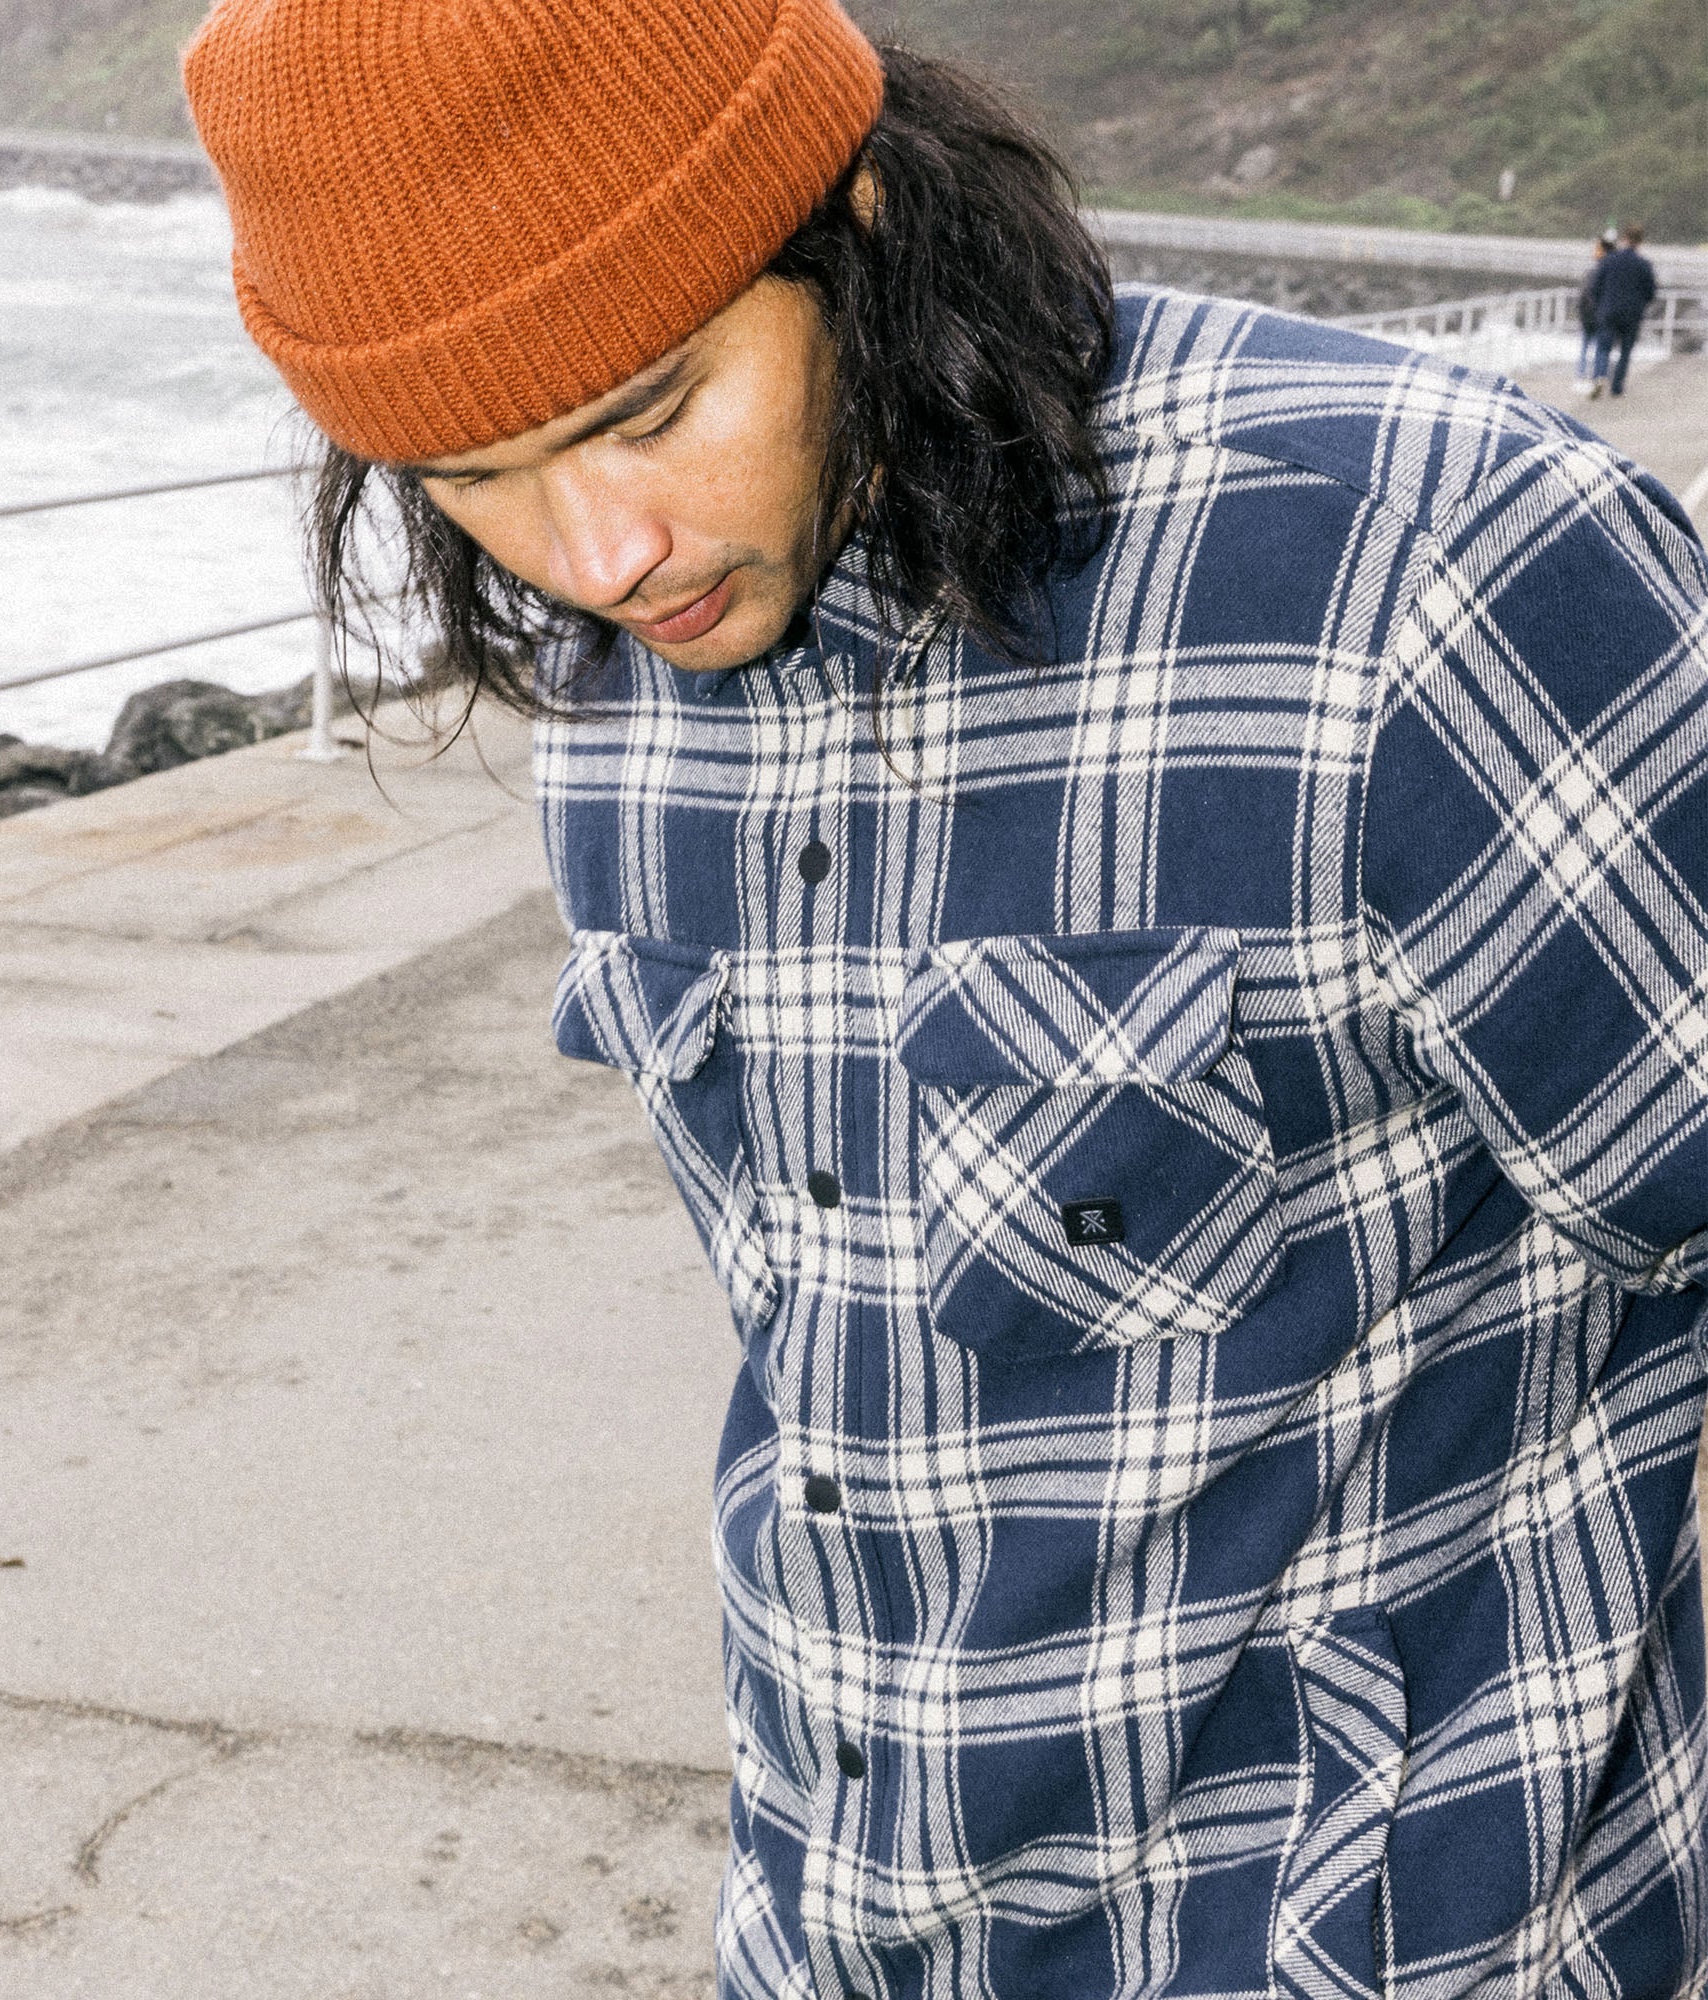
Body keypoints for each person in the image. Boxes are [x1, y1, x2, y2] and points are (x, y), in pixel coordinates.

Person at [185, 2, 1708, 1993]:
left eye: (651, 406)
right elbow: (835, 1375)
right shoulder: (626, 685)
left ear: (866, 214)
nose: (602, 552)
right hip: (841, 1924)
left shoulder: (1420, 570)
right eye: (474, 469)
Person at [1590, 221, 1658, 397]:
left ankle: (1600, 376)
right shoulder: (1644, 264)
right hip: (1632, 314)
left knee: (1603, 347)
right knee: (1625, 351)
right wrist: (1640, 304)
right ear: (1641, 241)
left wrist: (1600, 305)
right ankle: (1617, 387)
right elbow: (1651, 292)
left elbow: (1595, 286)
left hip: (1609, 310)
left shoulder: (1609, 260)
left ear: (1624, 238)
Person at [1576, 233, 1612, 383]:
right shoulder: (1606, 271)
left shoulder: (1596, 272)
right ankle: (1597, 377)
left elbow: (1587, 294)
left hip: (1593, 316)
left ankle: (1584, 376)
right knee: (1599, 348)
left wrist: (1586, 312)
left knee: (1590, 348)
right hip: (1598, 316)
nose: (1594, 252)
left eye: (1597, 249)